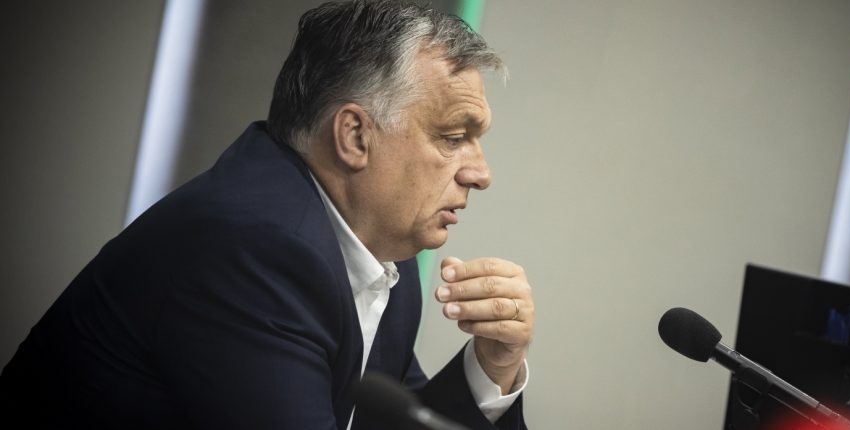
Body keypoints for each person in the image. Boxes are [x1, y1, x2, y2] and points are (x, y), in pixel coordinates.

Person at [0, 1, 534, 429]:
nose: (480, 173)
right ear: (355, 136)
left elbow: (396, 419)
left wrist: (494, 367)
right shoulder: (250, 246)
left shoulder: (380, 255)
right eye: (453, 137)